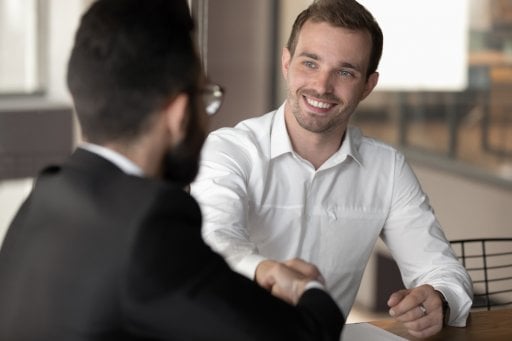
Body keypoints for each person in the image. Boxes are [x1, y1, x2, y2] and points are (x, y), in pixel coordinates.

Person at [0, 0, 345, 340]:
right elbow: (306, 334)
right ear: (179, 113)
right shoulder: (148, 226)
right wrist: (307, 287)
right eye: (206, 97)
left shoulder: (46, 195)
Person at [190, 0, 473, 338]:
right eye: (310, 63)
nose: (322, 86)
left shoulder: (387, 168)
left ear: (368, 85)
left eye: (345, 72)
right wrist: (267, 271)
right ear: (286, 62)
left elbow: (440, 268)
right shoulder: (229, 150)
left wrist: (439, 298)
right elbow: (214, 240)